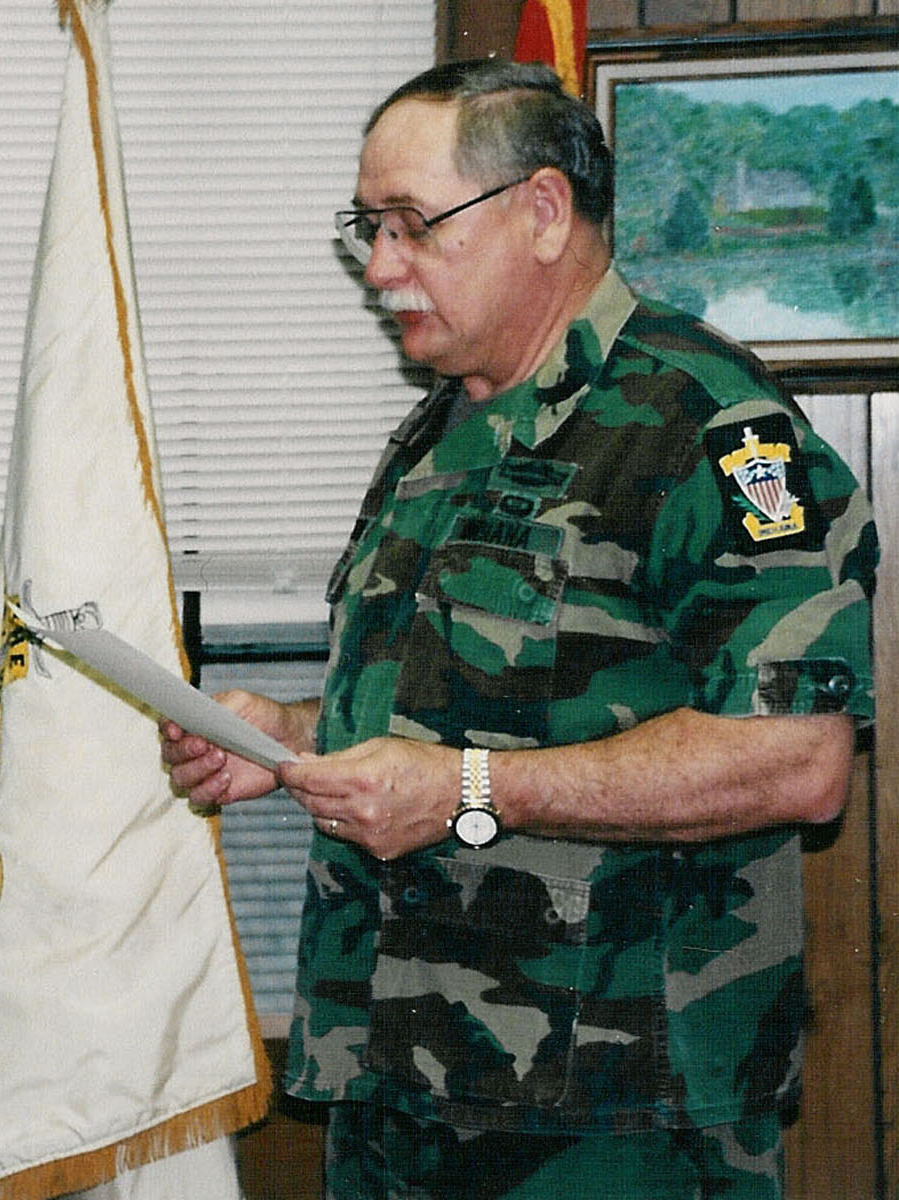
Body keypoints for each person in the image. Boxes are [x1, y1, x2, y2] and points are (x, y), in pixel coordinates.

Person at [162, 60, 875, 1199]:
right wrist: (286, 739)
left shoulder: (706, 426)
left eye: (411, 226)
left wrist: (469, 789)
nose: (381, 267)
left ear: (543, 212)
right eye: (368, 228)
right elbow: (465, 705)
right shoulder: (439, 431)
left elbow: (797, 762)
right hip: (395, 1082)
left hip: (611, 1110)